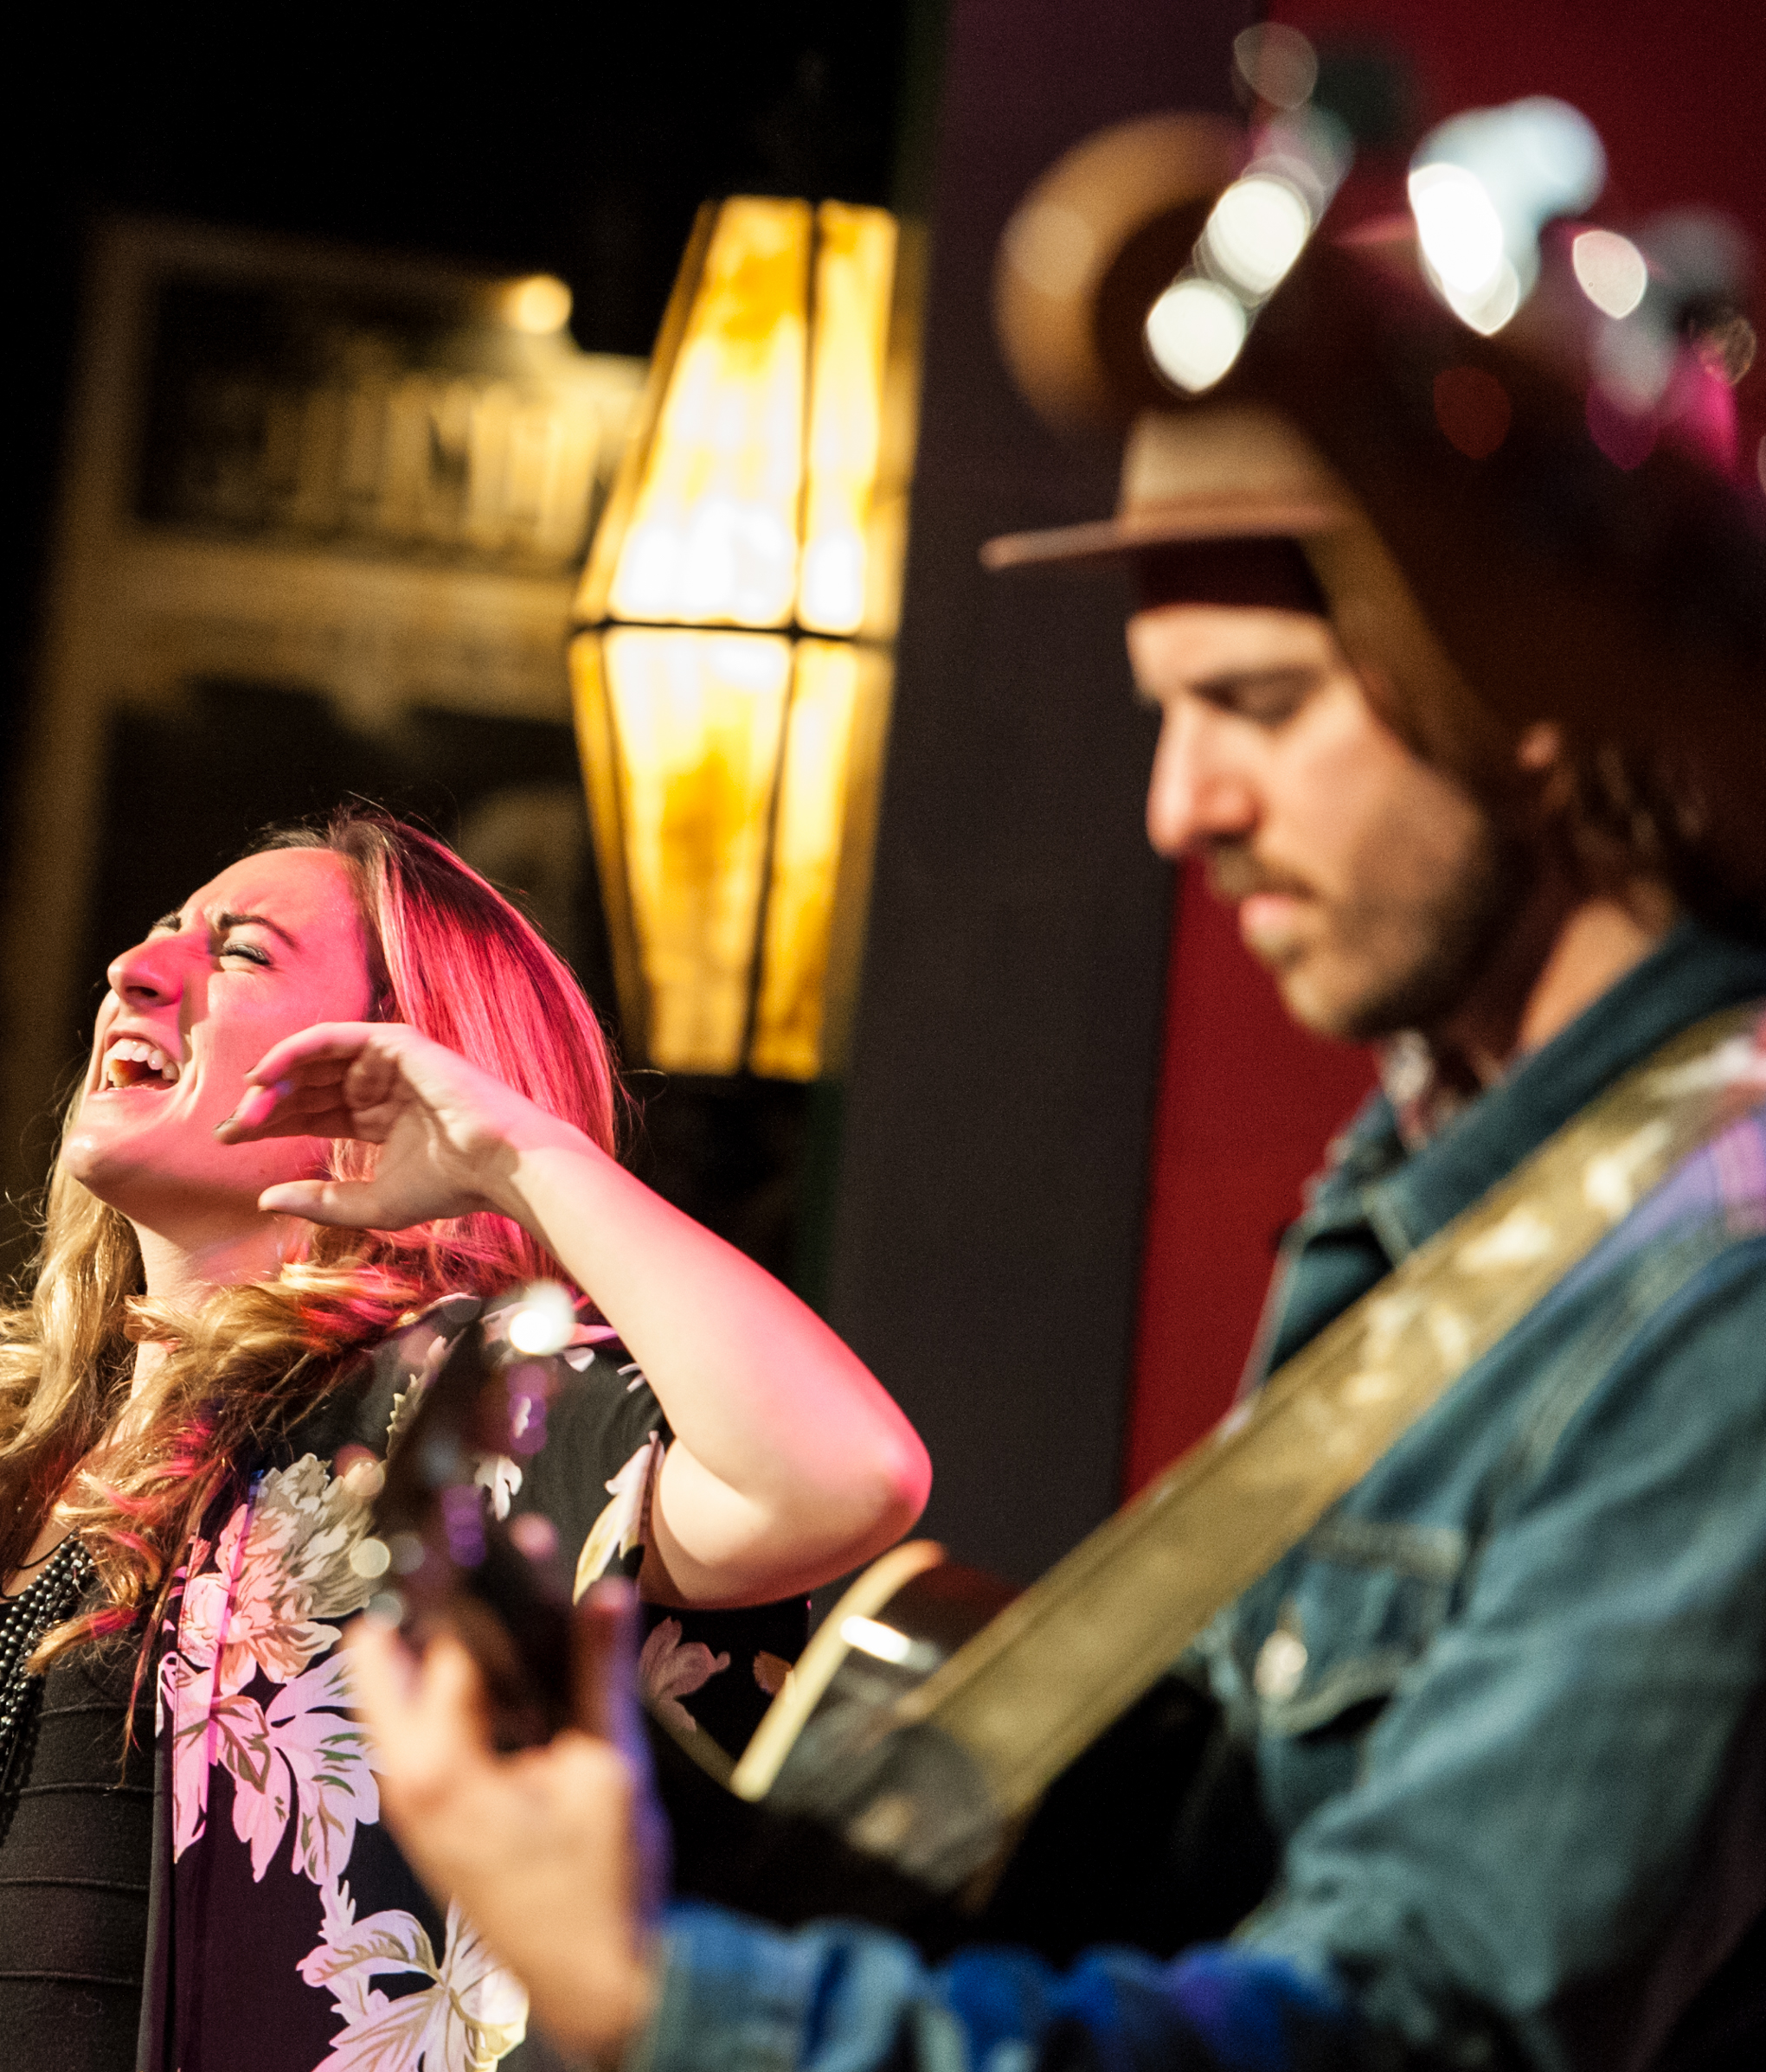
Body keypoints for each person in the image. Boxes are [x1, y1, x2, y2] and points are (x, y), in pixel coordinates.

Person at [348, 144, 1766, 2072]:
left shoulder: (1718, 1285)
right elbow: (1206, 1899)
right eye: (1167, 714)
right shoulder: (1424, 1196)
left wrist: (662, 1999)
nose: (1182, 809)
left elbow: (1412, 2032)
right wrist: (641, 1833)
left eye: (1259, 705)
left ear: (1532, 695)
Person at [0, 809, 932, 2072]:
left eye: (237, 954)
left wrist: (512, 1153)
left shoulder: (455, 1423)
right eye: (158, 933)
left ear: (407, 1070)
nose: (133, 968)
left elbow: (836, 1478)